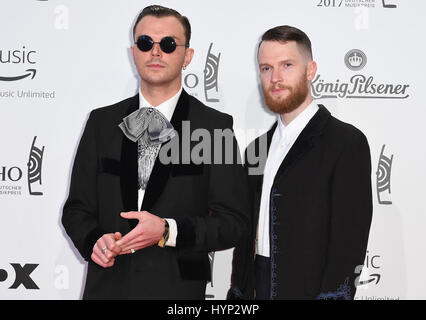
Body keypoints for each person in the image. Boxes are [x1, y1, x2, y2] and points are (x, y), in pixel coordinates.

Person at [62, 5, 249, 299]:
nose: (156, 52)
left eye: (169, 44)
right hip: (107, 288)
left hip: (178, 292)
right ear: (133, 51)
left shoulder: (215, 128)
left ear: (188, 56)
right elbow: (76, 210)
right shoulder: (101, 123)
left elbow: (234, 223)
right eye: (146, 43)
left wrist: (167, 230)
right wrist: (94, 241)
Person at [227, 25, 372, 300]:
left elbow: (348, 243)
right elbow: (245, 238)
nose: (275, 78)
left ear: (310, 69)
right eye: (266, 68)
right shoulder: (256, 149)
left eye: (287, 65)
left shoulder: (346, 143)